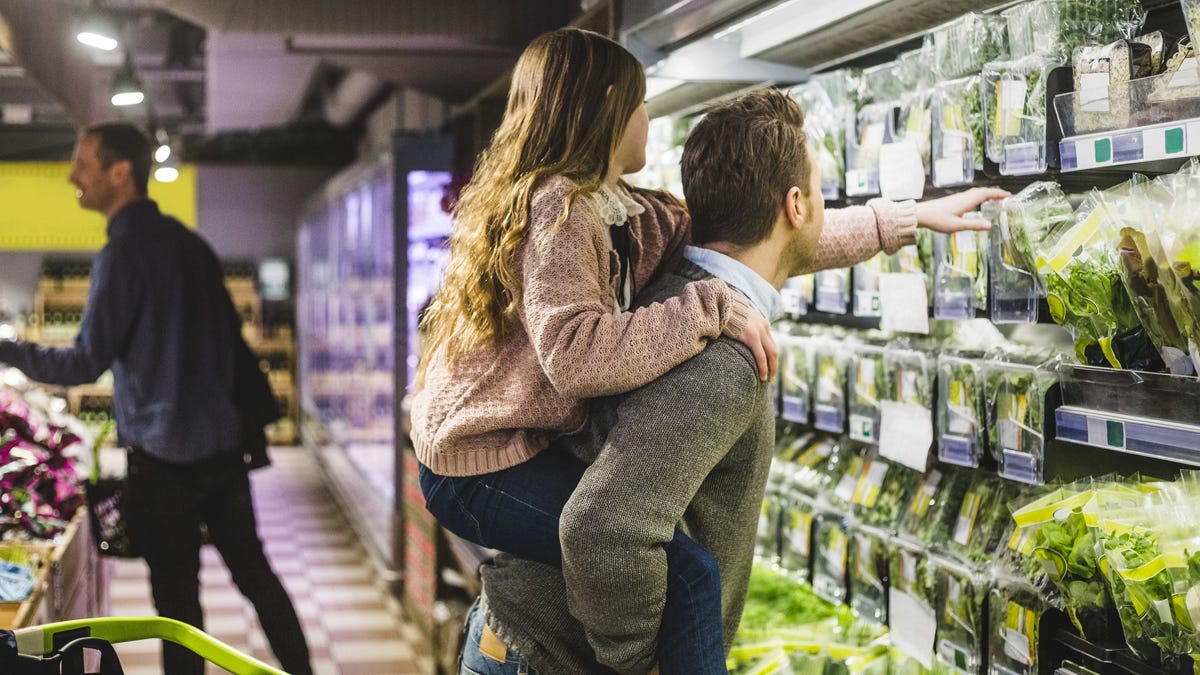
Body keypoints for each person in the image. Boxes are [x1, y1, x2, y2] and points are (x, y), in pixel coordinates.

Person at [414, 27, 1003, 674]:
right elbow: (576, 359)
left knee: (676, 565)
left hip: (515, 551)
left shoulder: (634, 214)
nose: (649, 115)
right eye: (643, 103)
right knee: (687, 571)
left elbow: (770, 234)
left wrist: (908, 221)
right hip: (471, 462)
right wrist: (708, 306)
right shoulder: (561, 211)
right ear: (610, 106)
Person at [0, 123, 312, 675]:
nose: (73, 175)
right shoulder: (191, 245)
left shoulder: (121, 255)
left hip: (164, 464)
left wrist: (10, 350)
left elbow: (82, 363)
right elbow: (228, 346)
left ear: (121, 173)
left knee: (177, 609)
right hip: (221, 451)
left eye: (83, 164)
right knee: (256, 576)